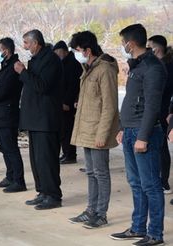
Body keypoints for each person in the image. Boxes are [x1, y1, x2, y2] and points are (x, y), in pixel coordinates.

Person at [110, 24, 167, 246]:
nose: (123, 46)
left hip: (146, 134)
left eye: (123, 42)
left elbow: (152, 107)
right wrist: (123, 128)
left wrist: (142, 136)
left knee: (151, 185)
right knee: (135, 183)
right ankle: (137, 227)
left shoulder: (153, 67)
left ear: (130, 43)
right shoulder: (138, 65)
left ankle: (155, 234)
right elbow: (133, 101)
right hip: (131, 132)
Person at [67, 31, 119, 228]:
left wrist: (103, 134)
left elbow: (109, 105)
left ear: (88, 50)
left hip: (98, 131)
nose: (77, 54)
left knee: (101, 173)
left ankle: (101, 213)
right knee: (90, 172)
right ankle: (91, 210)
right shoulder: (88, 68)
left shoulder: (104, 69)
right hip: (86, 129)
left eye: (78, 50)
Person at [14, 30, 63, 209]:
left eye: (27, 43)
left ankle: (53, 195)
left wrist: (23, 72)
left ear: (36, 43)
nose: (25, 46)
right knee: (36, 159)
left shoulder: (51, 59)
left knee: (47, 159)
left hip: (46, 118)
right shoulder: (36, 59)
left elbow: (42, 86)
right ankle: (42, 191)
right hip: (34, 118)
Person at [0, 37, 26, 193]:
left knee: (11, 147)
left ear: (6, 51)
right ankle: (10, 176)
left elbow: (4, 90)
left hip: (8, 113)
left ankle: (18, 180)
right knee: (3, 147)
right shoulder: (4, 66)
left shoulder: (14, 67)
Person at [147, 35, 173, 195]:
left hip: (163, 111)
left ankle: (164, 182)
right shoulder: (156, 64)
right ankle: (158, 179)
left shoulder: (168, 66)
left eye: (149, 46)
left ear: (157, 48)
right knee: (157, 146)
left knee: (162, 147)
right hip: (157, 109)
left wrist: (170, 111)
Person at [53, 40, 82, 164]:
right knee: (63, 130)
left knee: (67, 130)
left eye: (58, 52)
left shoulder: (72, 64)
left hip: (68, 104)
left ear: (64, 51)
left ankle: (70, 154)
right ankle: (66, 153)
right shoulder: (64, 63)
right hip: (62, 102)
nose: (56, 55)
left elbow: (73, 86)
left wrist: (67, 102)